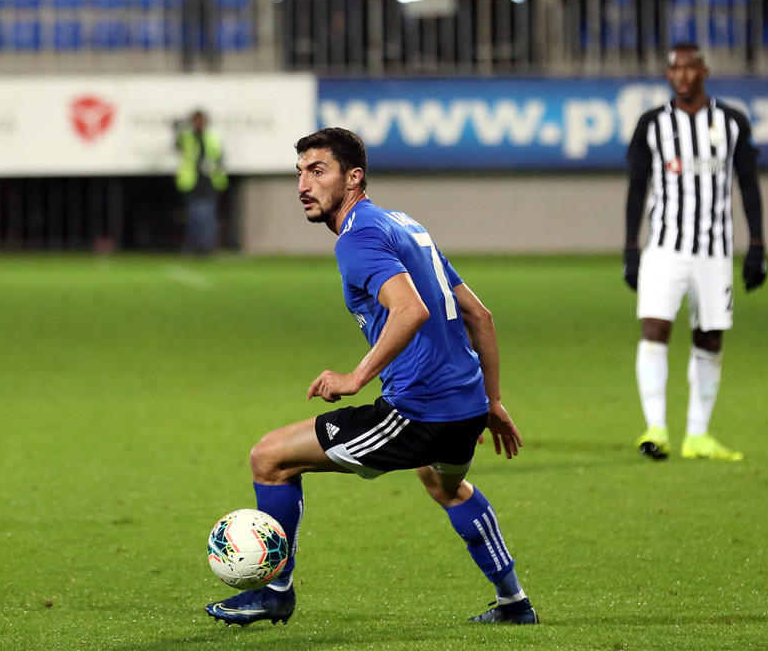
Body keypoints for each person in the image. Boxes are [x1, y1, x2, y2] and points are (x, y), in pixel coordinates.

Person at [205, 127, 538, 627]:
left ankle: (274, 593)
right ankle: (514, 603)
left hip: (419, 412)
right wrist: (491, 402)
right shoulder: (405, 225)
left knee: (269, 457)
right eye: (300, 173)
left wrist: (355, 377)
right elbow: (480, 316)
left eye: (318, 171)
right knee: (445, 485)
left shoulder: (358, 237)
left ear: (353, 177)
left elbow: (411, 309)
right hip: (465, 406)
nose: (303, 185)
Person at [623, 43, 767, 462]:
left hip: (714, 251)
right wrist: (630, 247)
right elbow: (637, 187)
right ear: (667, 75)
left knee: (709, 337)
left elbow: (748, 184)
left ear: (704, 71)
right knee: (654, 329)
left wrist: (757, 244)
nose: (682, 75)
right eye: (674, 69)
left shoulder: (732, 121)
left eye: (689, 68)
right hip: (664, 248)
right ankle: (656, 428)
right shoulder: (652, 124)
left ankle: (698, 434)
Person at [174, 109, 228, 254]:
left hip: (209, 182)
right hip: (191, 182)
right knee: (193, 216)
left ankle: (207, 245)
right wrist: (177, 131)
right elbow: (178, 147)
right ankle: (194, 245)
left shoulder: (212, 137)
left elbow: (220, 156)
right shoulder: (187, 136)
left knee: (207, 215)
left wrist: (213, 165)